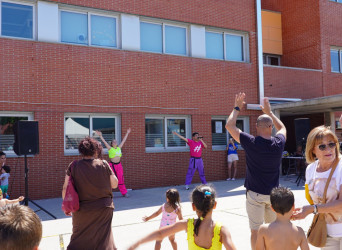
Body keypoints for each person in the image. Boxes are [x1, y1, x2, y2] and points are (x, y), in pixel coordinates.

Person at [225, 93, 286, 250]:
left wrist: (237, 106)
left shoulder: (250, 142)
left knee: (256, 232)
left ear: (256, 128)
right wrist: (269, 112)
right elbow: (283, 128)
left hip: (255, 195)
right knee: (272, 230)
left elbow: (229, 125)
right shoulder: (279, 143)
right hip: (273, 195)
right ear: (271, 127)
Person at [128, 185, 236, 250]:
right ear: (215, 204)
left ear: (193, 206)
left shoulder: (187, 224)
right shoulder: (221, 230)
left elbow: (160, 233)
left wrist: (137, 243)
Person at [62, 137, 118, 250]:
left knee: (79, 238)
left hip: (82, 209)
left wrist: (67, 206)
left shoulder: (73, 165)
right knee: (104, 239)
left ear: (81, 150)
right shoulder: (104, 164)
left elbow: (65, 188)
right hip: (104, 208)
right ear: (95, 150)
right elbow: (115, 184)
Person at [292, 125, 342, 250]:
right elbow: (314, 199)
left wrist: (311, 209)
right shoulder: (311, 169)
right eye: (322, 146)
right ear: (313, 150)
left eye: (331, 144)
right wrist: (304, 210)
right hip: (325, 232)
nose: (328, 149)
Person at [96, 128, 131, 197]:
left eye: (116, 142)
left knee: (120, 178)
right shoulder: (110, 148)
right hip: (112, 165)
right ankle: (108, 193)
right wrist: (100, 136)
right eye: (113, 142)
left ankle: (124, 192)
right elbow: (104, 142)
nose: (115, 143)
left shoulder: (119, 148)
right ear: (112, 144)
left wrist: (127, 133)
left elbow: (124, 141)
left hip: (119, 165)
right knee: (110, 179)